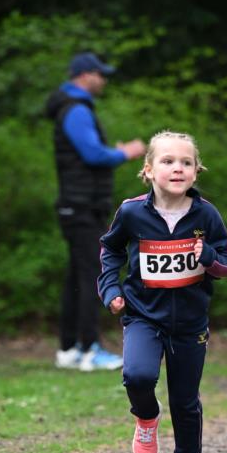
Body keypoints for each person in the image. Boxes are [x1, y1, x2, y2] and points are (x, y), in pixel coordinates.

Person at [98, 131, 227, 453]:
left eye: (186, 163)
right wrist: (111, 291)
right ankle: (146, 416)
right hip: (143, 314)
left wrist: (208, 256)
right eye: (168, 161)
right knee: (137, 375)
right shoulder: (131, 212)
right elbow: (110, 250)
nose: (177, 168)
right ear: (149, 170)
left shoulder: (206, 215)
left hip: (190, 323)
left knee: (185, 400)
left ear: (196, 172)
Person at [45, 52, 146, 371]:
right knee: (94, 274)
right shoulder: (75, 110)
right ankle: (90, 349)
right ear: (84, 75)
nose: (103, 80)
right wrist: (124, 151)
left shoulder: (71, 108)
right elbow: (93, 154)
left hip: (76, 206)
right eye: (100, 74)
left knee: (78, 275)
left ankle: (68, 348)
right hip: (82, 207)